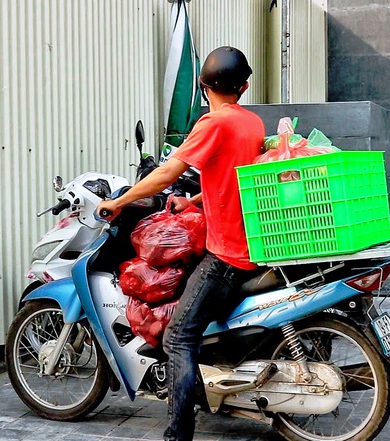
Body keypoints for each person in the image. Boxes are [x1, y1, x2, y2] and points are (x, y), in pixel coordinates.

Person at [96, 46, 265, 441]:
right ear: (244, 86)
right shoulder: (252, 123)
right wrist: (193, 201)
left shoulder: (213, 123)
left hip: (226, 256)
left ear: (204, 87)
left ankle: (176, 436)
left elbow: (171, 169)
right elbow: (232, 177)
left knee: (178, 337)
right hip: (249, 246)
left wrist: (118, 202)